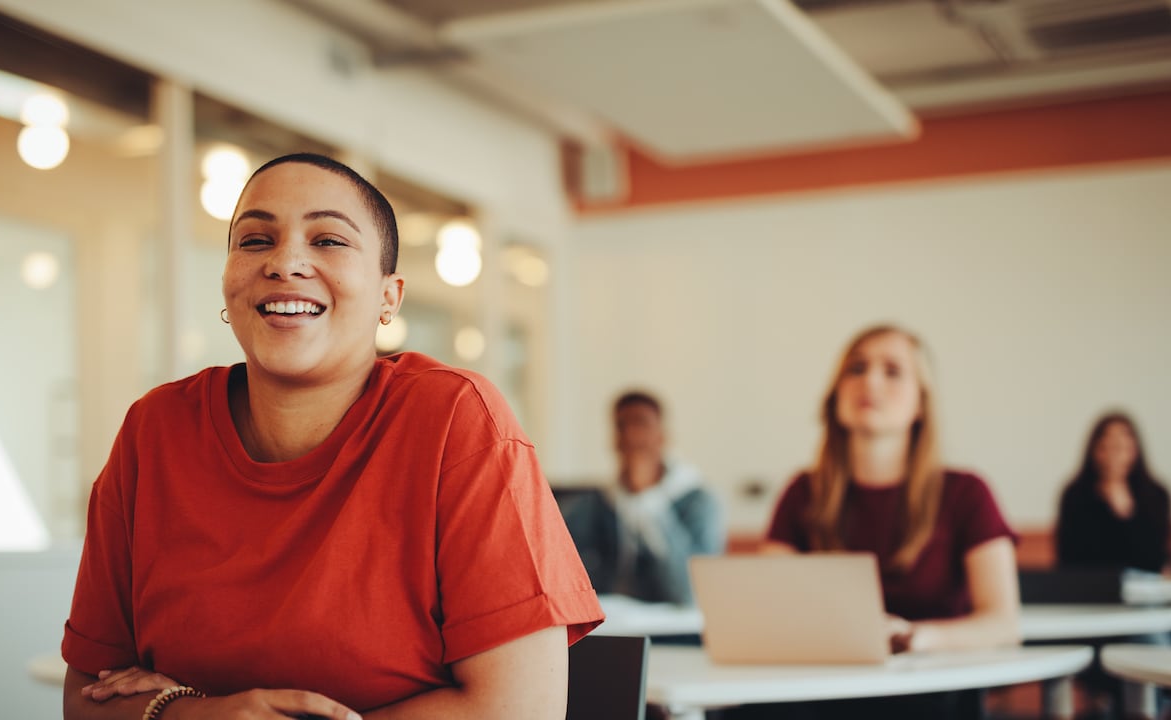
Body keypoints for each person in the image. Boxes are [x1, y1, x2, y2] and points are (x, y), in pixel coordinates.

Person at [60, 153, 604, 720]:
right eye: (253, 240)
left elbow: (521, 709)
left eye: (328, 240)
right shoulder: (155, 430)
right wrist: (200, 715)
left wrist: (163, 706)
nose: (285, 261)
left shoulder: (456, 420)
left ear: (388, 297)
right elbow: (86, 700)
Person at [746, 325, 1020, 719]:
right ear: (836, 393)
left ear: (921, 404)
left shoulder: (967, 492)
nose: (870, 380)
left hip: (930, 693)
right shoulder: (802, 492)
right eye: (856, 368)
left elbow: (1003, 623)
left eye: (892, 370)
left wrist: (917, 637)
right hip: (821, 692)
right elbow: (767, 607)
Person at [561, 390, 725, 605]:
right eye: (621, 426)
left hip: (677, 630)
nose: (631, 434)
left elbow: (691, 594)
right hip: (614, 625)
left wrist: (648, 501)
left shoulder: (700, 502)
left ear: (663, 436)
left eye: (641, 424)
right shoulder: (596, 503)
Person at [1055, 412, 1171, 574]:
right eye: (1107, 447)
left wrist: (1125, 510)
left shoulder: (1156, 495)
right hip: (1090, 588)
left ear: (1135, 451)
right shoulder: (1075, 495)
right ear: (1095, 450)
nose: (1114, 456)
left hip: (1143, 588)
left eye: (1121, 448)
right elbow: (1070, 557)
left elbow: (1154, 556)